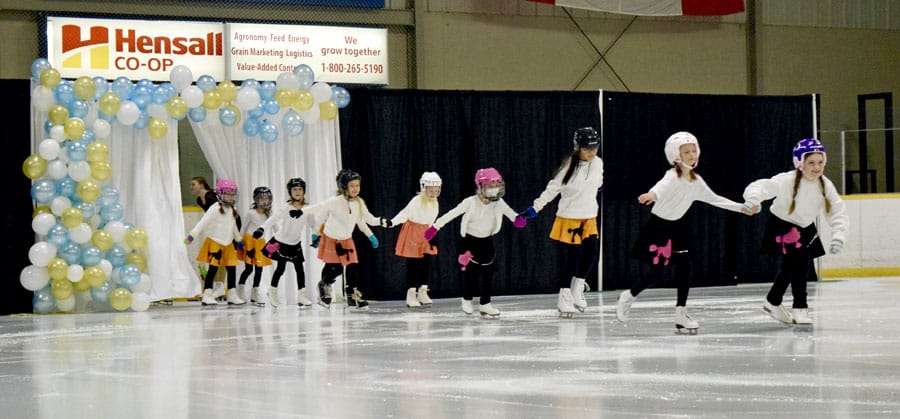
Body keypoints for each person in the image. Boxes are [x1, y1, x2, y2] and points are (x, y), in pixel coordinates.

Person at [615, 132, 751, 333]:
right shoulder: (671, 176)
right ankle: (629, 296)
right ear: (675, 155)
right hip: (659, 227)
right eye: (686, 151)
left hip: (678, 227)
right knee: (657, 273)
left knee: (685, 268)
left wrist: (743, 208)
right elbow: (660, 188)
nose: (692, 154)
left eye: (694, 150)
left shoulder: (697, 181)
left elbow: (716, 199)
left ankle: (681, 313)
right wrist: (651, 194)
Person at [742, 138, 848, 326]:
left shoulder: (825, 185)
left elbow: (836, 210)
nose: (817, 167)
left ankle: (773, 300)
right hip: (782, 226)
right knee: (799, 264)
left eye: (820, 162)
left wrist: (839, 234)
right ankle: (800, 308)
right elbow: (761, 186)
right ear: (800, 163)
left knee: (791, 267)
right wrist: (754, 199)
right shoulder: (786, 180)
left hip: (805, 228)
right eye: (811, 163)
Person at [519, 127, 604, 317]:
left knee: (591, 253)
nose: (592, 151)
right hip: (569, 217)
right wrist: (535, 208)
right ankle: (564, 295)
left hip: (589, 216)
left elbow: (599, 182)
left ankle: (577, 286)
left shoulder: (598, 163)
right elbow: (552, 189)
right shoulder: (568, 167)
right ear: (578, 147)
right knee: (572, 259)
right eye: (587, 148)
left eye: (595, 147)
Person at [425, 168, 526, 318]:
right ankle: (467, 299)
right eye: (491, 187)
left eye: (497, 186)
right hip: (469, 242)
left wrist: (518, 219)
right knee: (470, 274)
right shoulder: (470, 202)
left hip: (487, 241)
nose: (494, 190)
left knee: (488, 273)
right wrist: (435, 227)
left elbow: (512, 214)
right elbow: (451, 214)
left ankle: (485, 304)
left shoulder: (499, 203)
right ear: (480, 186)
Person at [306, 169, 386, 310]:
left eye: (357, 185)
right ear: (344, 187)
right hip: (331, 238)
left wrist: (373, 232)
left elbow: (364, 220)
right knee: (335, 268)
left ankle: (352, 295)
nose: (355, 189)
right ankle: (324, 285)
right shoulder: (336, 202)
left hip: (346, 240)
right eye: (352, 185)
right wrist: (316, 233)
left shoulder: (359, 203)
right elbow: (321, 216)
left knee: (352, 268)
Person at [252, 178, 316, 308]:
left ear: (304, 191)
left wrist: (317, 236)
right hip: (281, 242)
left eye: (300, 189)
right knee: (280, 268)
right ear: (290, 192)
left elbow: (312, 224)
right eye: (294, 189)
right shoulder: (286, 207)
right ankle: (272, 290)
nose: (297, 192)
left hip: (295, 243)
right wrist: (262, 228)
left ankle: (302, 295)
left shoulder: (308, 208)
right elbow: (273, 219)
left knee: (300, 269)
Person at [186, 179, 246, 306]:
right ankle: (207, 294)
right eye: (227, 193)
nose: (230, 196)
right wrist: (192, 235)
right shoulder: (214, 208)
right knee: (213, 269)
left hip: (228, 243)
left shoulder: (232, 209)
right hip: (215, 242)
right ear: (220, 194)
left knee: (232, 269)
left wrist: (238, 240)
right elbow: (202, 223)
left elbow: (233, 226)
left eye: (232, 194)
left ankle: (232, 293)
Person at [387, 172, 442, 308]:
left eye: (436, 190)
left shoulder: (435, 202)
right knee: (414, 265)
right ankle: (411, 293)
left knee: (426, 263)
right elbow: (404, 214)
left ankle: (422, 291)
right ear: (424, 188)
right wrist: (392, 222)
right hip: (413, 232)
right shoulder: (417, 201)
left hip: (426, 233)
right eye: (431, 190)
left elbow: (432, 220)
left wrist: (432, 235)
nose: (433, 193)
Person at [236, 186, 273, 304]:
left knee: (259, 269)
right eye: (261, 199)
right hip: (249, 242)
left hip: (260, 243)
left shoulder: (269, 214)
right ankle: (240, 289)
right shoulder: (251, 213)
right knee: (248, 269)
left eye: (266, 199)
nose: (264, 201)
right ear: (256, 200)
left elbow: (276, 227)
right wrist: (239, 240)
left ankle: (255, 291)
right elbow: (243, 227)